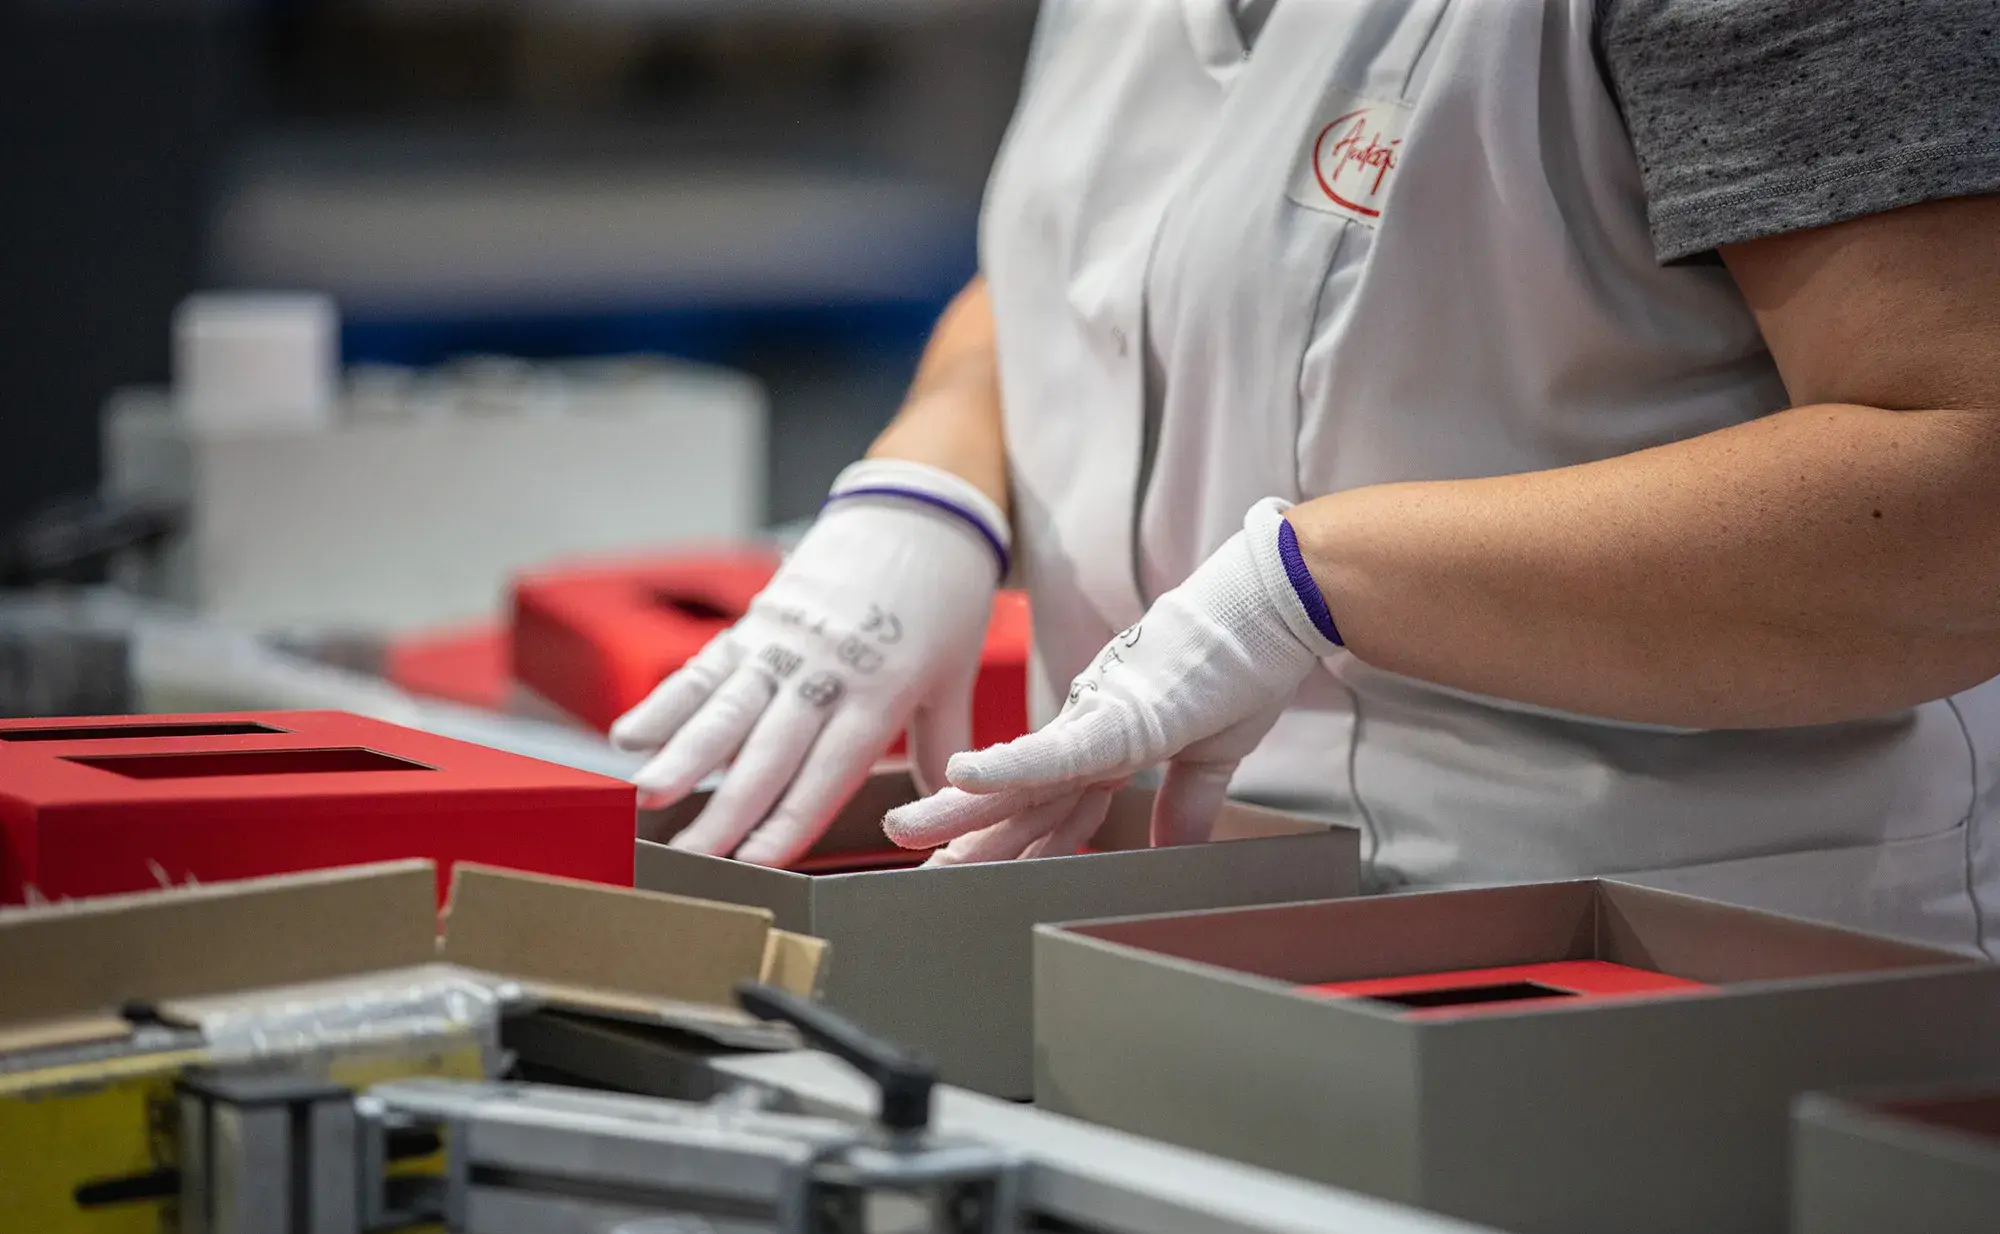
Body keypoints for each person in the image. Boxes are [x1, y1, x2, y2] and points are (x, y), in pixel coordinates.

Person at [613, 0, 2000, 954]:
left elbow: (1964, 483)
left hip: (1678, 971)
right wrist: (932, 473)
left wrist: (1318, 587)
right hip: (1160, 926)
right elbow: (1123, 257)